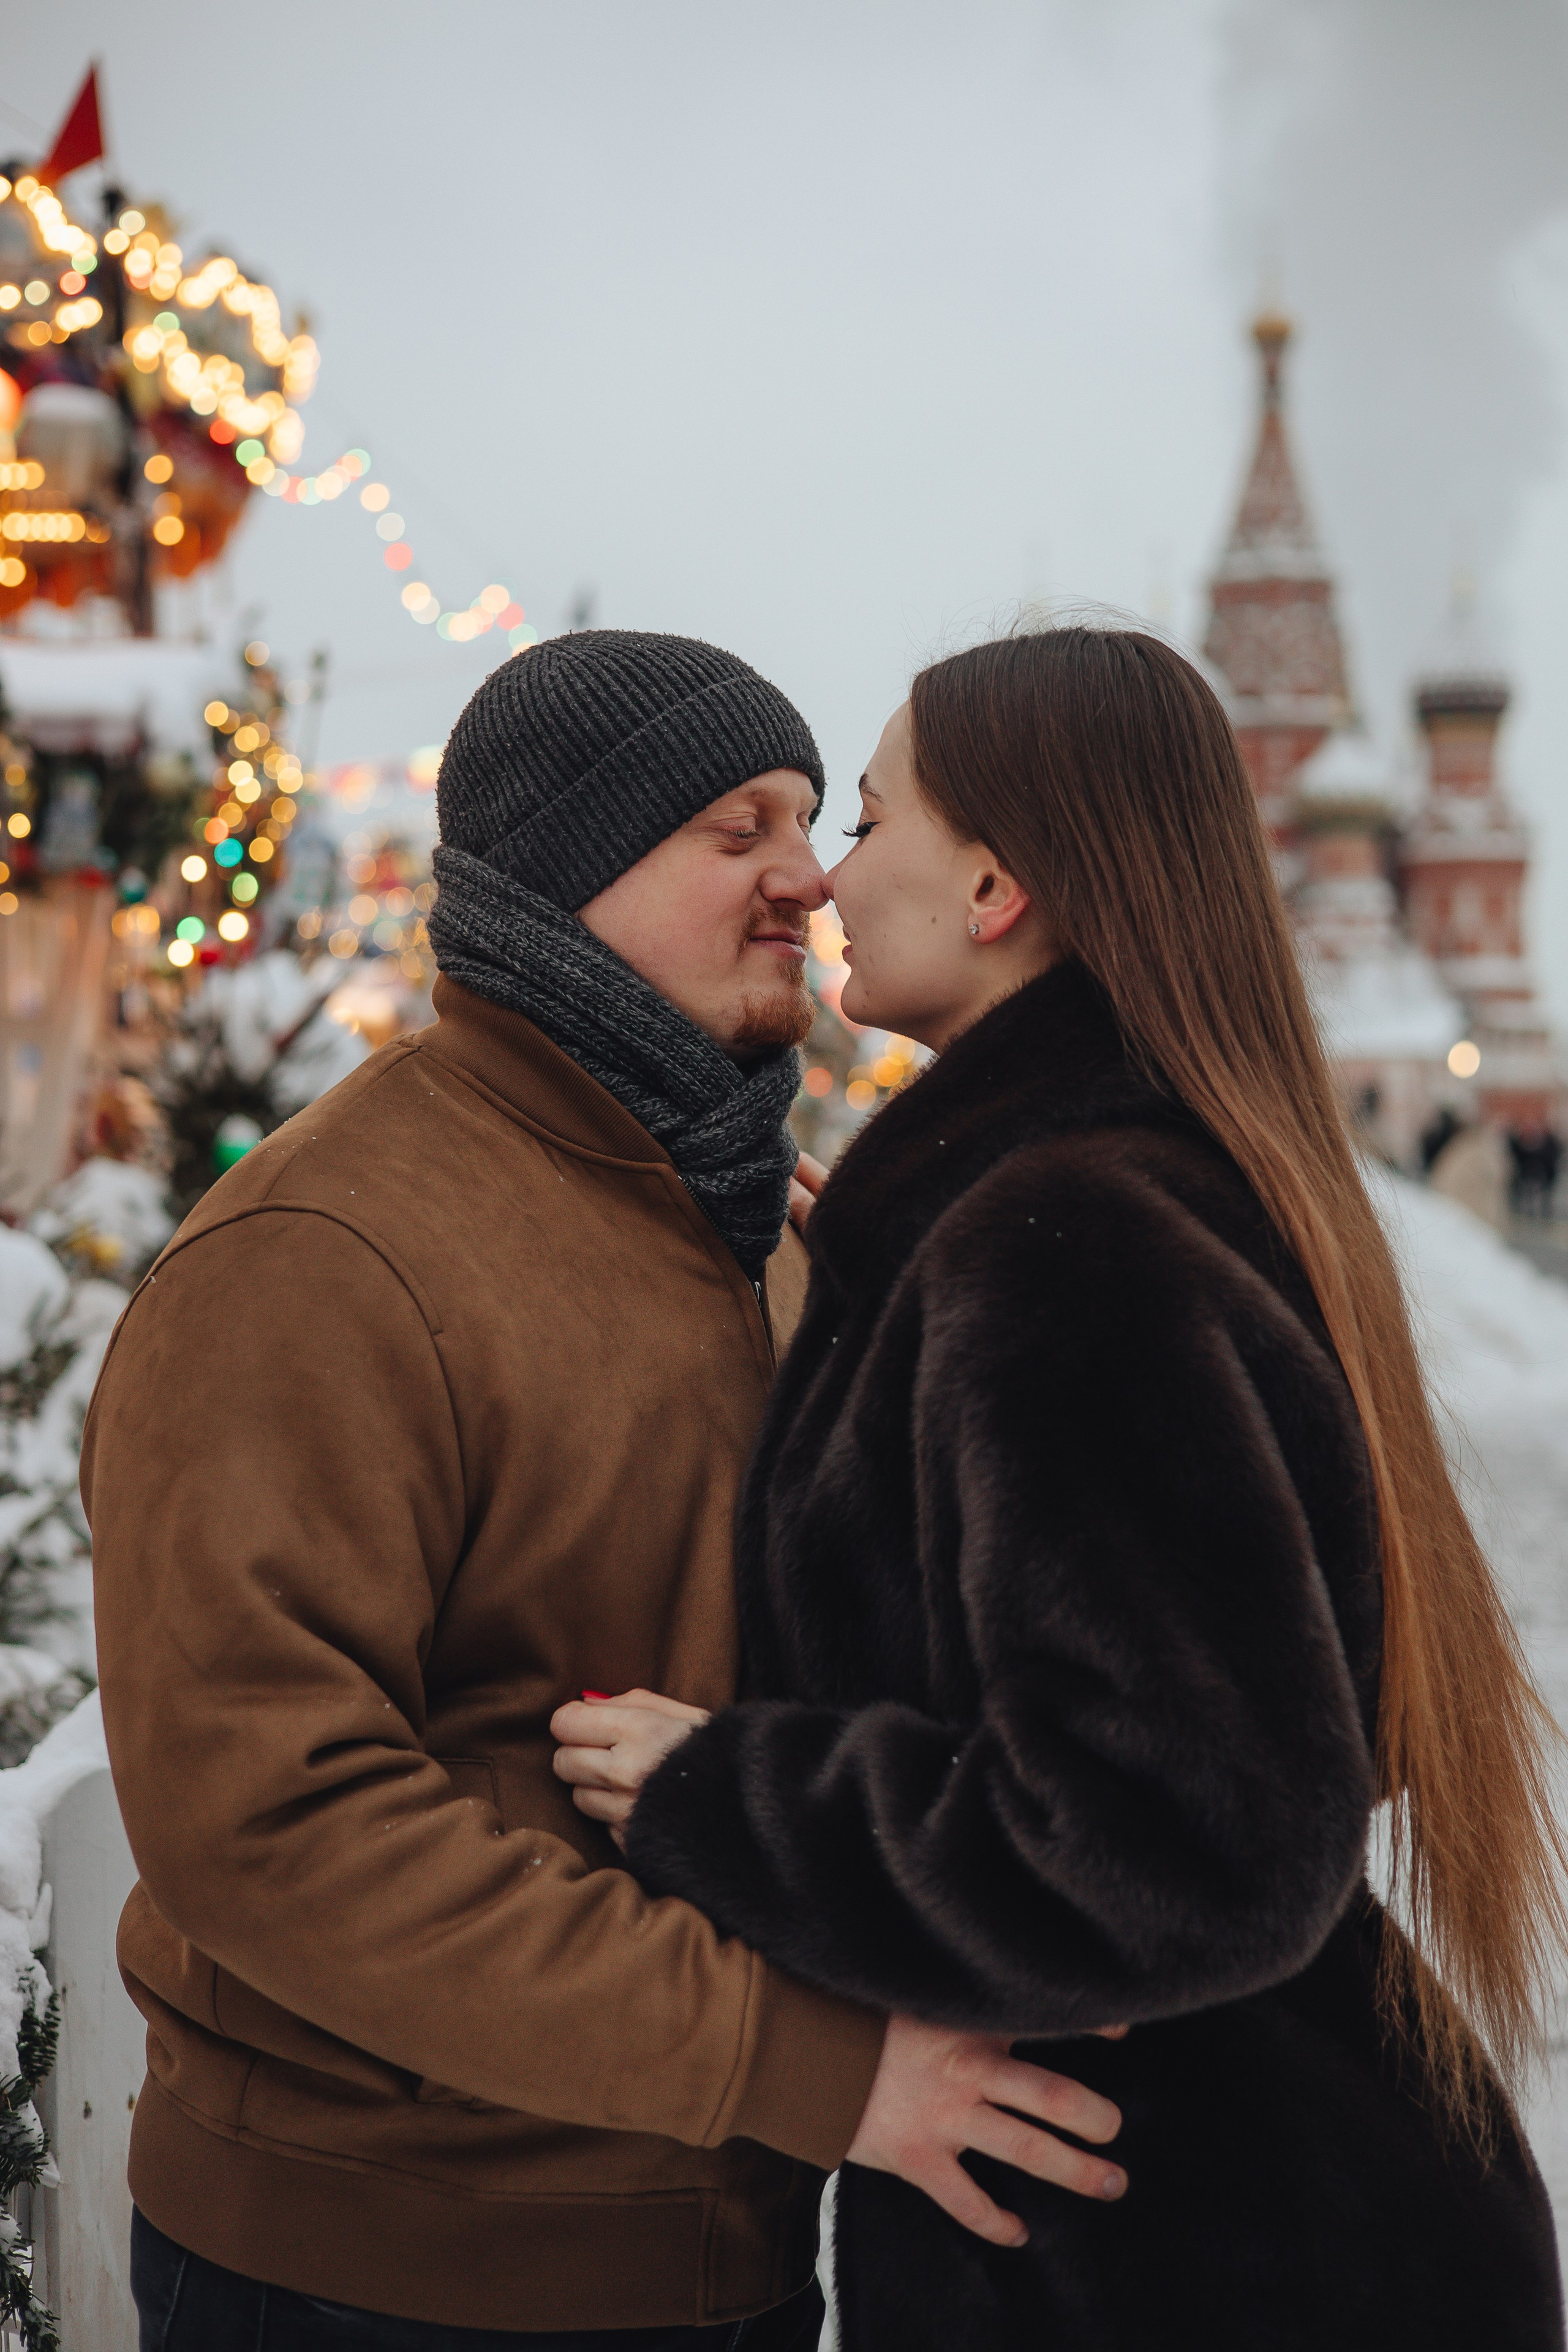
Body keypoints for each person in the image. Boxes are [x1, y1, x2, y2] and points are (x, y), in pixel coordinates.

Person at [83, 631, 1121, 2352]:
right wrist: (808, 2064)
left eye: (811, 818)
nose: (810, 878)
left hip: (725, 2248)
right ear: (575, 873)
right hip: (389, 2277)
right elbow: (268, 1817)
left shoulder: (766, 1238)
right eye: (740, 829)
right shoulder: (324, 1255)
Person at [554, 627, 1568, 2352]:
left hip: (1194, 2258)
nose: (824, 878)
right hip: (1222, 2218)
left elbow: (1183, 1837)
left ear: (1003, 881)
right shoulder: (1081, 1202)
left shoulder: (1071, 1245)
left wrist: (728, 1797)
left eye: (870, 821)